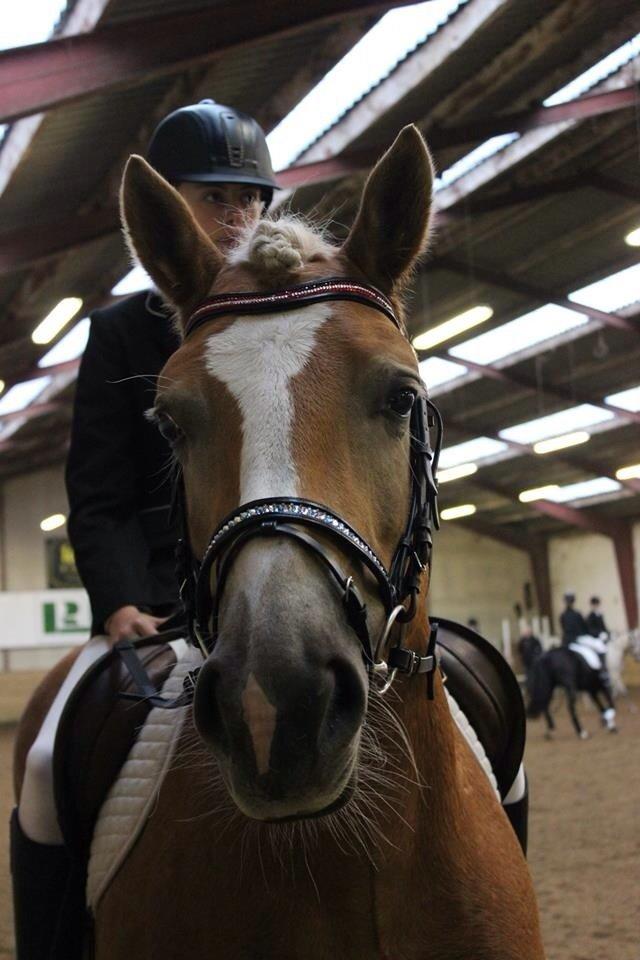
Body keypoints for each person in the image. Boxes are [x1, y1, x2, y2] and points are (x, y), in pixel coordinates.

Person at [11, 100, 278, 960]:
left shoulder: (294, 323)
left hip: (274, 592)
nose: (239, 218)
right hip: (155, 612)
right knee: (49, 763)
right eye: (215, 198)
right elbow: (99, 492)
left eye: (254, 199)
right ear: (166, 205)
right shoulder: (120, 333)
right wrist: (121, 600)